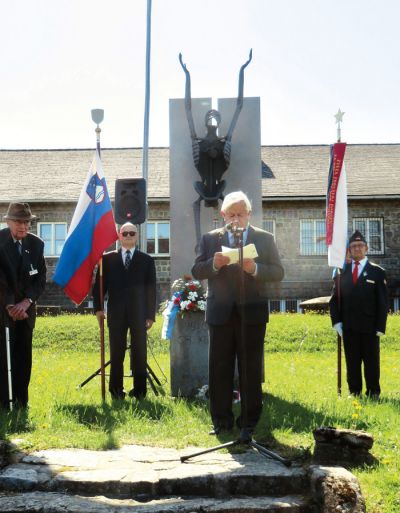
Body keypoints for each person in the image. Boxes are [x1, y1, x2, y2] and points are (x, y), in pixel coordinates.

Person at [192, 191, 284, 435]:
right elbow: (197, 270)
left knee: (250, 368)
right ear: (223, 215)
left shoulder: (264, 238)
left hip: (252, 313)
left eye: (240, 214)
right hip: (220, 313)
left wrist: (255, 268)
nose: (235, 218)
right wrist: (215, 264)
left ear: (249, 214)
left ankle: (249, 422)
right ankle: (221, 422)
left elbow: (278, 272)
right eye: (231, 214)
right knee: (219, 368)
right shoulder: (210, 238)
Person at [93, 222, 156, 400]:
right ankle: (115, 391)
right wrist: (98, 309)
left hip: (140, 314)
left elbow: (151, 289)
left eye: (132, 233)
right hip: (116, 314)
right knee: (117, 354)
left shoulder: (146, 260)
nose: (128, 236)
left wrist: (151, 315)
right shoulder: (106, 260)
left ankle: (140, 391)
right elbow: (99, 286)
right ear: (119, 235)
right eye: (125, 233)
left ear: (137, 236)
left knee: (139, 354)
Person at [329, 230, 389, 398]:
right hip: (349, 326)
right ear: (349, 250)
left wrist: (380, 326)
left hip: (370, 327)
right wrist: (336, 322)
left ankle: (373, 392)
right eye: (353, 246)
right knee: (352, 361)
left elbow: (383, 302)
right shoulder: (342, 272)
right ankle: (354, 392)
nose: (357, 249)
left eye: (360, 246)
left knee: (371, 362)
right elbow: (334, 299)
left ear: (366, 248)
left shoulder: (377, 272)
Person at [0, 202, 46, 408]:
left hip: (26, 312)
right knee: (3, 357)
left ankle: (21, 401)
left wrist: (26, 302)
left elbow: (41, 278)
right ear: (8, 221)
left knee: (23, 357)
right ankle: (3, 402)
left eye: (27, 222)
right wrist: (11, 305)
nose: (24, 226)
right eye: (19, 222)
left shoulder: (36, 244)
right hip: (3, 310)